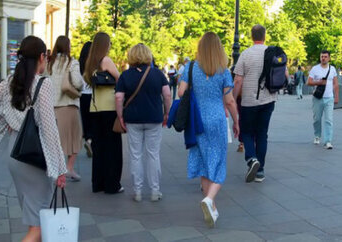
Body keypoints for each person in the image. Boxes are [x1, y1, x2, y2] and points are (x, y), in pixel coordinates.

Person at [0, 36, 68, 242]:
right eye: (46, 56)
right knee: (38, 225)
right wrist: (60, 169)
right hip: (35, 157)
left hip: (15, 151)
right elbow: (49, 129)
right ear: (41, 57)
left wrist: (8, 120)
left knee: (34, 219)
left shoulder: (11, 81)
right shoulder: (43, 84)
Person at [181, 32, 239, 228]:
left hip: (197, 120)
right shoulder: (223, 70)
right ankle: (209, 200)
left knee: (204, 163)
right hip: (216, 119)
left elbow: (181, 92)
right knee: (219, 162)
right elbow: (229, 101)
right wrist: (236, 121)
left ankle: (211, 207)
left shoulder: (190, 67)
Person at [114, 44, 172, 202]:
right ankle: (154, 190)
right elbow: (167, 95)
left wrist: (120, 116)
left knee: (135, 155)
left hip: (133, 118)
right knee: (153, 154)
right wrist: (167, 112)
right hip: (154, 117)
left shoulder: (125, 75)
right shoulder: (157, 74)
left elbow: (119, 97)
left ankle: (137, 191)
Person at [233, 25, 278, 183]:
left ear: (252, 36)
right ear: (264, 36)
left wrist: (232, 97)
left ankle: (252, 159)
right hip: (268, 100)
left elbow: (238, 80)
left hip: (249, 101)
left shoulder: (245, 54)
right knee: (262, 134)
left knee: (246, 132)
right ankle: (261, 172)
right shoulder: (272, 53)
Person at [84, 32, 124, 194]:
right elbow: (120, 78)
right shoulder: (106, 60)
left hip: (95, 108)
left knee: (99, 147)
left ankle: (98, 183)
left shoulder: (90, 62)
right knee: (113, 148)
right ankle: (112, 184)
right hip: (109, 107)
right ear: (105, 45)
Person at [46, 36, 83, 182]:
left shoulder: (49, 63)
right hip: (68, 105)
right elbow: (78, 82)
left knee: (57, 140)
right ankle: (69, 168)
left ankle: (57, 169)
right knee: (75, 138)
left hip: (51, 107)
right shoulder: (71, 62)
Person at [308, 50, 339, 149]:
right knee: (317, 119)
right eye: (322, 56)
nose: (323, 58)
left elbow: (335, 83)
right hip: (318, 98)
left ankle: (328, 141)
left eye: (325, 56)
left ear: (329, 58)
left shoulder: (332, 69)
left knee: (329, 120)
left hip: (329, 98)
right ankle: (317, 135)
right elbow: (309, 82)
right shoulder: (315, 69)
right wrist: (319, 82)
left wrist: (336, 96)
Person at [77, 41, 94, 158]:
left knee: (85, 120)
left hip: (82, 95)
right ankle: (91, 141)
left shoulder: (79, 64)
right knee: (93, 120)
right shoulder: (93, 63)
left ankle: (88, 139)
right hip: (93, 94)